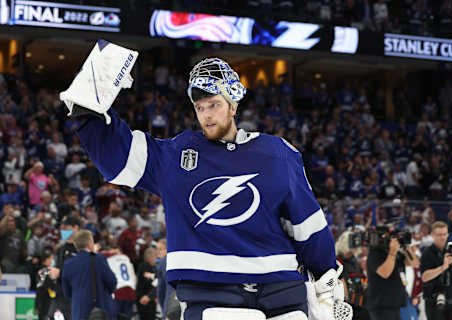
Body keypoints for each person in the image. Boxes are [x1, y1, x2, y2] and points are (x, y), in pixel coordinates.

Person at [64, 56, 338, 319]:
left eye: (214, 104)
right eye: (200, 107)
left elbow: (308, 226)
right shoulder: (176, 155)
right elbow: (118, 156)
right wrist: (88, 107)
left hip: (281, 290)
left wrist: (327, 279)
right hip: (213, 294)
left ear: (233, 106)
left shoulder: (278, 153)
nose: (206, 115)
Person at [62, 230, 117, 320]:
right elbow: (112, 281)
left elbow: (67, 293)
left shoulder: (68, 264)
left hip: (78, 312)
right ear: (90, 243)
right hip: (100, 308)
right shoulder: (99, 259)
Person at [421, 221, 452, 320]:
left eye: (445, 234)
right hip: (433, 300)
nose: (443, 237)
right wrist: (443, 267)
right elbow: (425, 277)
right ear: (432, 235)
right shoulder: (427, 252)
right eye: (439, 235)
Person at [366, 227, 409, 320]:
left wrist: (405, 247)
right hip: (381, 306)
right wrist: (392, 251)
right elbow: (385, 273)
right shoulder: (375, 254)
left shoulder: (397, 253)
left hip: (395, 304)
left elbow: (415, 263)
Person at [136, 247, 158, 320]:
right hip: (144, 298)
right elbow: (144, 284)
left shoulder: (155, 267)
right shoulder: (144, 266)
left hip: (150, 297)